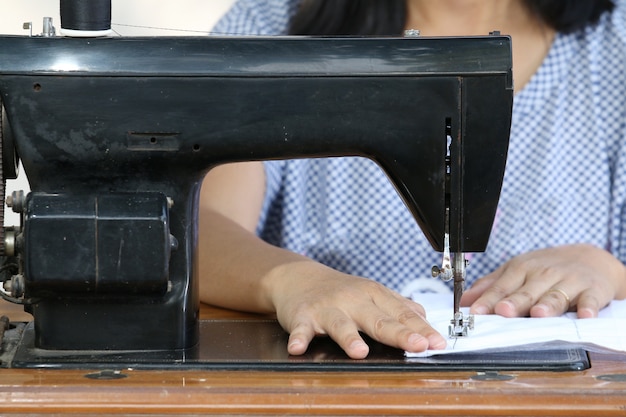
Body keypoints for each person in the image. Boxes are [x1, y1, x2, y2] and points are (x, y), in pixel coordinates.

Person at [198, 0, 626, 359]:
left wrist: (611, 273)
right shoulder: (274, 31)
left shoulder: (615, 46)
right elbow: (196, 226)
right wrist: (288, 279)